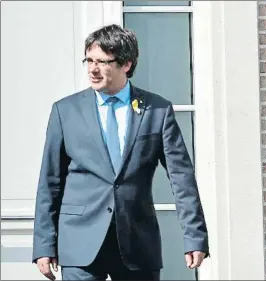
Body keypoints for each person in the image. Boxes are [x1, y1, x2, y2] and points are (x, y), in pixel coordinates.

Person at [32, 24, 209, 281]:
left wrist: (195, 236)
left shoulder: (157, 110)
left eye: (102, 62)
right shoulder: (65, 111)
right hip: (80, 244)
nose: (93, 69)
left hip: (137, 243)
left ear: (126, 64)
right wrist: (44, 245)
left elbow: (181, 178)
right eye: (89, 60)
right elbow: (49, 182)